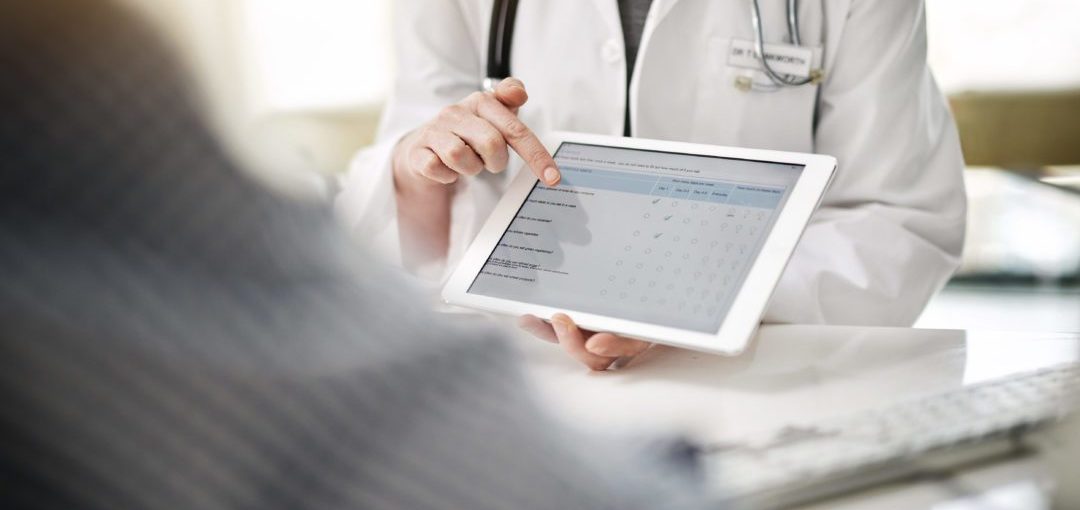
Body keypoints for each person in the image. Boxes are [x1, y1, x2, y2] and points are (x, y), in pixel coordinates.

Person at [0, 1, 742, 510]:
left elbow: (865, 220)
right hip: (548, 392)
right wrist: (418, 174)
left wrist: (689, 285)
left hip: (765, 359)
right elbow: (364, 266)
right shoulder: (69, 65)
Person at [336, 0, 967, 370]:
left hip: (758, 376)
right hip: (523, 380)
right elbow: (414, 183)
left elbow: (899, 217)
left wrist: (710, 297)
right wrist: (417, 165)